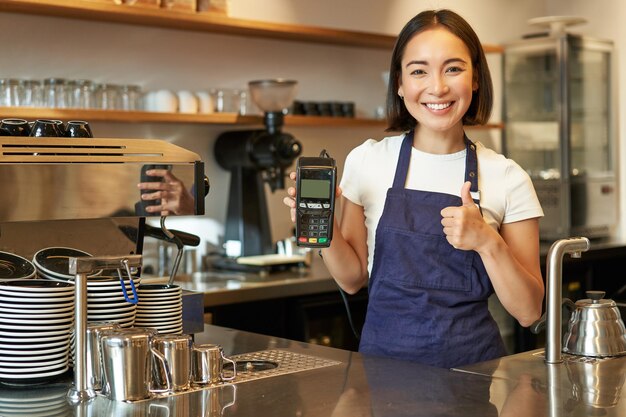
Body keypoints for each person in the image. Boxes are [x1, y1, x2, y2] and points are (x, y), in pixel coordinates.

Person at [284, 9, 545, 368]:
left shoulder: (506, 176)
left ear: (476, 79)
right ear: (400, 83)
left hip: (473, 378)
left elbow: (529, 311)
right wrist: (322, 228)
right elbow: (352, 278)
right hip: (382, 376)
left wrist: (487, 241)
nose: (437, 87)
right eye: (419, 70)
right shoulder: (367, 161)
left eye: (453, 68)